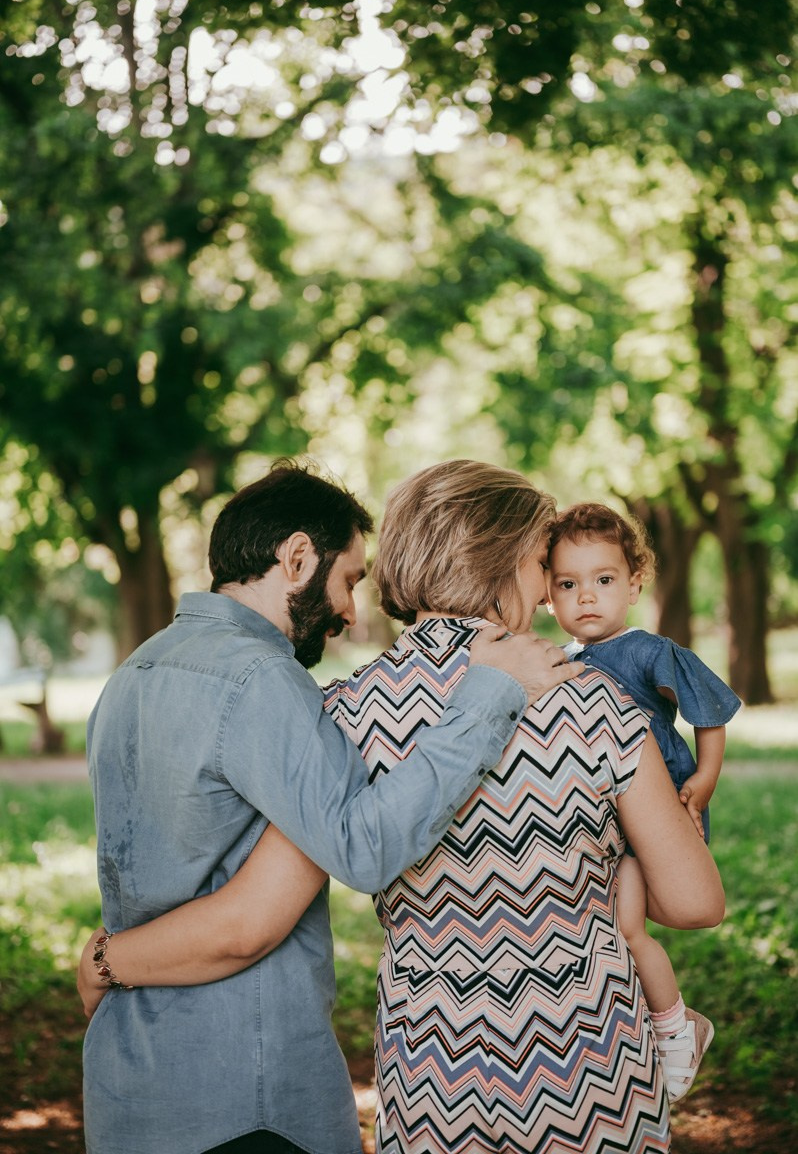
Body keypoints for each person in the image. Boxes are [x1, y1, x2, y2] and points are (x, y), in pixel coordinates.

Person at [80, 462, 725, 1154]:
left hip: (434, 1075)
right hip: (592, 1068)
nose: (546, 593)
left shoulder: (341, 713)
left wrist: (109, 958)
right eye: (543, 565)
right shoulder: (596, 701)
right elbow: (693, 903)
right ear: (503, 562)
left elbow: (262, 906)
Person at [545, 501, 740, 1104]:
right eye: (568, 585)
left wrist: (706, 776)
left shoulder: (648, 651)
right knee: (625, 930)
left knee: (645, 917)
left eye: (603, 580)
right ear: (547, 596)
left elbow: (708, 708)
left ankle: (672, 1031)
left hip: (657, 807)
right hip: (604, 819)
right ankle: (674, 1025)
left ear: (633, 582)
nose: (586, 598)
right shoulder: (556, 662)